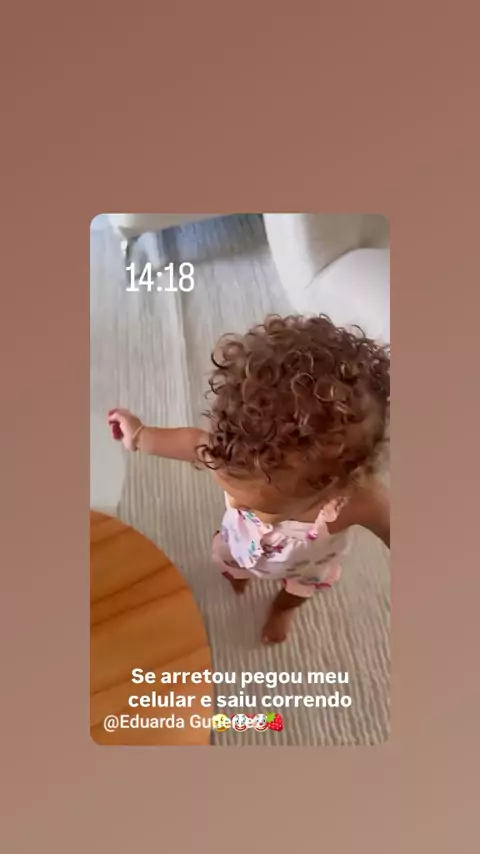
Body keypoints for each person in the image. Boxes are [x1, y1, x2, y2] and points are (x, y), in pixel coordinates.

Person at [109, 314, 390, 644]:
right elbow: (190, 442)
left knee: (298, 592)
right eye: (233, 493)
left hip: (304, 566)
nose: (240, 508)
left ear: (334, 485)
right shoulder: (228, 452)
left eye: (258, 507)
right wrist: (140, 435)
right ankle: (240, 572)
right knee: (233, 563)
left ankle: (283, 609)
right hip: (239, 543)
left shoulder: (357, 500)